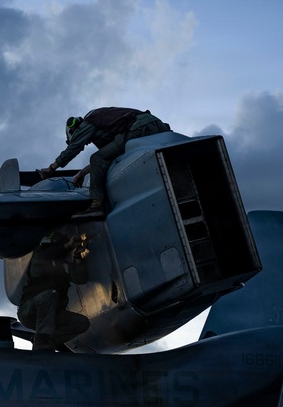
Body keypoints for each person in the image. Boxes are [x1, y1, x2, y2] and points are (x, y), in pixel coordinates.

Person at [39, 107, 171, 219]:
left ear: (74, 130)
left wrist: (51, 168)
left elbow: (74, 149)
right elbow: (106, 157)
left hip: (138, 127)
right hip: (156, 124)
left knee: (96, 158)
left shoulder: (87, 123)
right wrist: (82, 173)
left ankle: (96, 205)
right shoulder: (103, 123)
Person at [17, 230, 90, 351]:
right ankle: (42, 341)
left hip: (51, 315)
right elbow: (45, 257)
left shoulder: (61, 267)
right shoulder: (38, 255)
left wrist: (77, 257)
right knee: (50, 294)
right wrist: (66, 246)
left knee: (82, 323)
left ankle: (44, 342)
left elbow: (80, 279)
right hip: (29, 311)